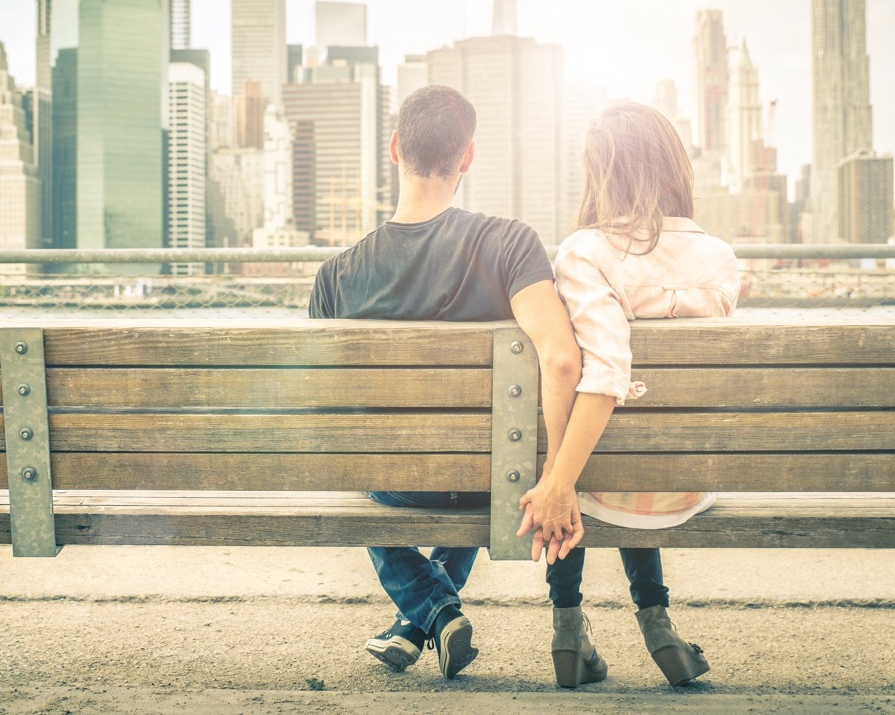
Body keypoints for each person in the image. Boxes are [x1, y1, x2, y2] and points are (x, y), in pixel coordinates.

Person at [309, 85, 581, 680]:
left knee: (369, 468)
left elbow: (328, 417)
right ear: (468, 156)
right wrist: (558, 478)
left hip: (395, 485)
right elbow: (562, 360)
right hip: (490, 479)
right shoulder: (510, 243)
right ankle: (427, 615)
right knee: (476, 458)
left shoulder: (335, 277)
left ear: (394, 148)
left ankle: (429, 613)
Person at [516, 100, 740, 688]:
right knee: (629, 454)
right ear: (674, 169)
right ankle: (658, 623)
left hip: (602, 480)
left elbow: (607, 372)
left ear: (598, 173)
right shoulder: (719, 258)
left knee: (581, 462)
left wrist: (556, 481)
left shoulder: (585, 252)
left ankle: (568, 628)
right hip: (684, 481)